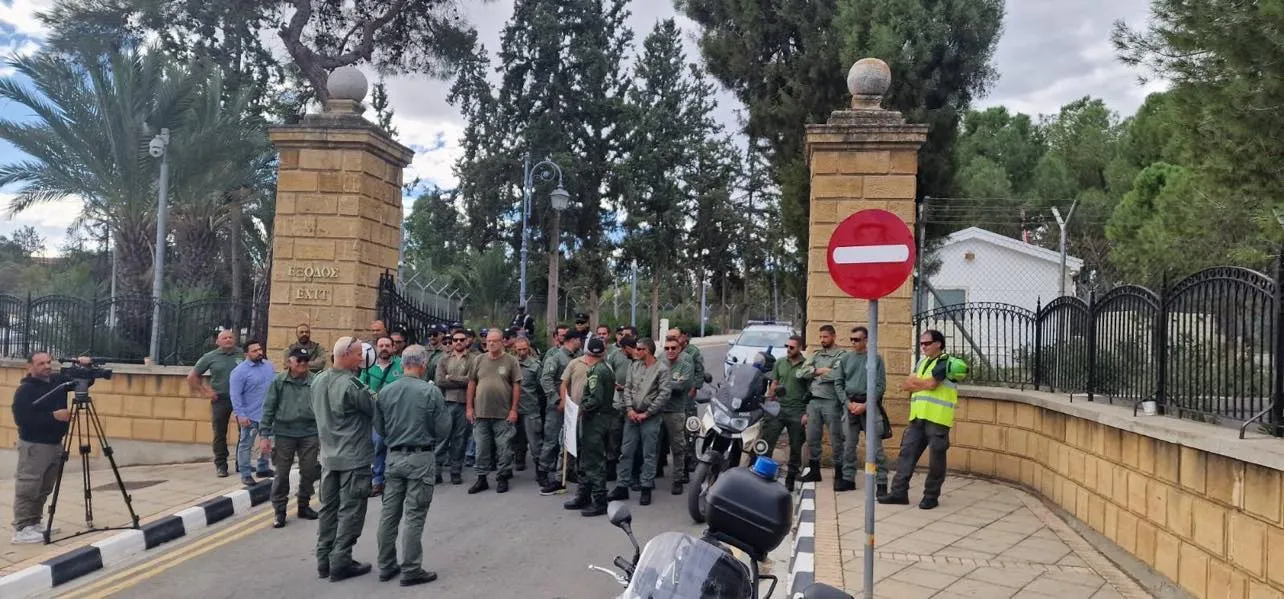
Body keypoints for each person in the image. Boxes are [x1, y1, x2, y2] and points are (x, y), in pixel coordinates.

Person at [373, 344, 450, 587]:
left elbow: (380, 427)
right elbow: (443, 429)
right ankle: (411, 568)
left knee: (389, 514)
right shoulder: (431, 392)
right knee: (414, 516)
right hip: (420, 457)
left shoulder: (386, 391)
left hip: (394, 457)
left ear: (402, 363)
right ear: (423, 364)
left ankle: (386, 566)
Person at [879, 330, 967, 510]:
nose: (923, 347)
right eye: (921, 344)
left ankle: (931, 496)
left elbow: (932, 384)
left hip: (937, 419)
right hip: (917, 417)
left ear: (939, 344)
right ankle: (898, 492)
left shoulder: (947, 362)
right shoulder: (921, 362)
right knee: (906, 454)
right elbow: (907, 385)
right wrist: (923, 383)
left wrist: (919, 384)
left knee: (936, 459)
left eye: (927, 343)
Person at [10, 353, 92, 544]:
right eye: (41, 363)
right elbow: (22, 420)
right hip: (35, 445)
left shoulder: (57, 381)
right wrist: (53, 416)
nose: (46, 366)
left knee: (45, 487)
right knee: (29, 486)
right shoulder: (25, 390)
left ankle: (35, 523)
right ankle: (22, 528)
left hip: (55, 443)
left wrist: (85, 366)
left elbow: (84, 381)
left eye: (48, 362)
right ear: (30, 366)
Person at [313, 336, 377, 582]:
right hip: (354, 458)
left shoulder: (317, 381)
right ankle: (340, 561)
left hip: (328, 457)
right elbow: (375, 408)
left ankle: (323, 559)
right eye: (359, 353)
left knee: (328, 510)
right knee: (351, 511)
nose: (362, 358)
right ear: (347, 355)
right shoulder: (353, 386)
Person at [260, 347, 320, 528]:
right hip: (285, 433)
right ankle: (280, 510)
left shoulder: (315, 381)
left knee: (309, 470)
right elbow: (269, 408)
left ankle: (304, 504)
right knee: (282, 473)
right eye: (299, 360)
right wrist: (264, 435)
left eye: (305, 360)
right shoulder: (279, 382)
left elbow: (323, 406)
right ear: (289, 362)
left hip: (309, 432)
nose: (303, 364)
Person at [608, 338, 671, 506]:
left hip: (650, 417)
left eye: (639, 349)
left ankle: (646, 486)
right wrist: (629, 409)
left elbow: (664, 394)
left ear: (647, 351)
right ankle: (622, 485)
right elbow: (627, 388)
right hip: (632, 415)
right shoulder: (634, 366)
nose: (635, 351)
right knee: (626, 450)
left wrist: (648, 413)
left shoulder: (662, 369)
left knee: (648, 453)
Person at [562, 338, 616, 517]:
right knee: (585, 458)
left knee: (593, 461)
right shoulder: (606, 368)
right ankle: (583, 495)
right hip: (601, 419)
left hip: (595, 420)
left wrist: (580, 409)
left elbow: (595, 399)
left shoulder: (595, 372)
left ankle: (599, 500)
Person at [465, 329, 521, 494]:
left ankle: (502, 477)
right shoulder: (479, 360)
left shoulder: (511, 361)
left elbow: (517, 385)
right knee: (481, 447)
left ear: (502, 341)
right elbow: (471, 384)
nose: (490, 344)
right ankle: (481, 478)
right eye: (488, 341)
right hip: (481, 413)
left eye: (494, 341)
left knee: (504, 448)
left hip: (503, 413)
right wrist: (469, 407)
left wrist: (514, 409)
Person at [838, 326, 890, 494]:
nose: (853, 343)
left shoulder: (875, 358)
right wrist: (847, 403)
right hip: (851, 406)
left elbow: (881, 385)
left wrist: (866, 405)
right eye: (851, 339)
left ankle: (881, 482)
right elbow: (838, 383)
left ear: (866, 340)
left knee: (875, 448)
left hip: (869, 406)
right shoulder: (846, 359)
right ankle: (848, 479)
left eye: (857, 340)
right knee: (849, 445)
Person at [187, 330, 244, 478]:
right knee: (219, 433)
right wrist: (206, 392)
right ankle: (221, 465)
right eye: (224, 338)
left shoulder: (242, 355)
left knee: (245, 432)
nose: (228, 340)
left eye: (231, 337)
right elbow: (192, 377)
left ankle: (242, 463)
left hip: (240, 400)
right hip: (220, 399)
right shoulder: (210, 357)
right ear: (218, 342)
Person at [797, 325, 846, 484]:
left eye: (825, 337)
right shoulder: (816, 355)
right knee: (812, 438)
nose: (822, 340)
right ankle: (814, 471)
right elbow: (801, 373)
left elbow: (837, 374)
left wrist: (814, 371)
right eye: (820, 337)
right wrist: (821, 370)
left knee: (836, 439)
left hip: (831, 402)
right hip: (813, 401)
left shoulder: (841, 355)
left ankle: (839, 473)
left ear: (833, 336)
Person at [539, 330, 582, 495]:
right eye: (579, 339)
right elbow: (546, 379)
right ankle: (543, 470)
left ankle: (567, 470)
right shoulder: (556, 357)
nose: (581, 342)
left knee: (569, 440)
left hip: (572, 406)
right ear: (573, 340)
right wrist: (557, 399)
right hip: (557, 406)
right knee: (551, 440)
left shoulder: (578, 357)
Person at [229, 340, 276, 486]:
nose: (259, 352)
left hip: (268, 414)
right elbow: (235, 395)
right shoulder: (239, 372)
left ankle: (263, 467)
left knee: (267, 442)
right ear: (246, 354)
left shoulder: (269, 366)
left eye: (259, 349)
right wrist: (240, 415)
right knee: (246, 444)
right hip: (250, 415)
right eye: (254, 351)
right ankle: (245, 473)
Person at [764, 335, 808, 491]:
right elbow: (774, 383)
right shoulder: (780, 362)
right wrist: (770, 397)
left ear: (800, 348)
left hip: (797, 410)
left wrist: (806, 413)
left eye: (792, 347)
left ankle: (791, 476)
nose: (788, 350)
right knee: (767, 440)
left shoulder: (806, 366)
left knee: (795, 446)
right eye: (786, 346)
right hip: (778, 408)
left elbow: (810, 391)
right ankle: (763, 473)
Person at [360, 336, 403, 497]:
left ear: (393, 348)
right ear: (376, 348)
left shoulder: (401, 364)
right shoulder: (368, 366)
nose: (384, 348)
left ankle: (395, 480)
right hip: (376, 415)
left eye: (387, 345)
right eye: (381, 345)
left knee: (398, 448)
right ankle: (378, 480)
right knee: (378, 445)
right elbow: (360, 386)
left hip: (397, 415)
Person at [434, 329, 475, 485]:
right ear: (451, 342)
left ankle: (455, 472)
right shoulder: (443, 360)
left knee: (460, 439)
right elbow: (440, 381)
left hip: (465, 403)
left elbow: (471, 380)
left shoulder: (473, 359)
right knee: (442, 438)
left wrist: (451, 378)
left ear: (466, 341)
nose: (458, 342)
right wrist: (461, 381)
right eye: (455, 340)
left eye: (461, 339)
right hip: (446, 403)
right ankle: (436, 471)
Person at [659, 338, 694, 495]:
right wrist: (670, 382)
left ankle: (678, 478)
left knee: (678, 447)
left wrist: (662, 383)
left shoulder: (686, 365)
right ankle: (654, 473)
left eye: (674, 347)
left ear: (680, 348)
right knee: (655, 445)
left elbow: (681, 387)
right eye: (667, 348)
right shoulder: (659, 362)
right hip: (658, 410)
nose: (670, 350)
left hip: (675, 411)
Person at [512, 337, 544, 484]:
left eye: (524, 349)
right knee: (514, 439)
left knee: (535, 441)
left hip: (530, 407)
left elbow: (541, 388)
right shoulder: (511, 364)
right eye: (518, 349)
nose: (521, 352)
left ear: (529, 348)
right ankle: (517, 461)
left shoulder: (535, 366)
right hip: (513, 408)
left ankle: (540, 470)